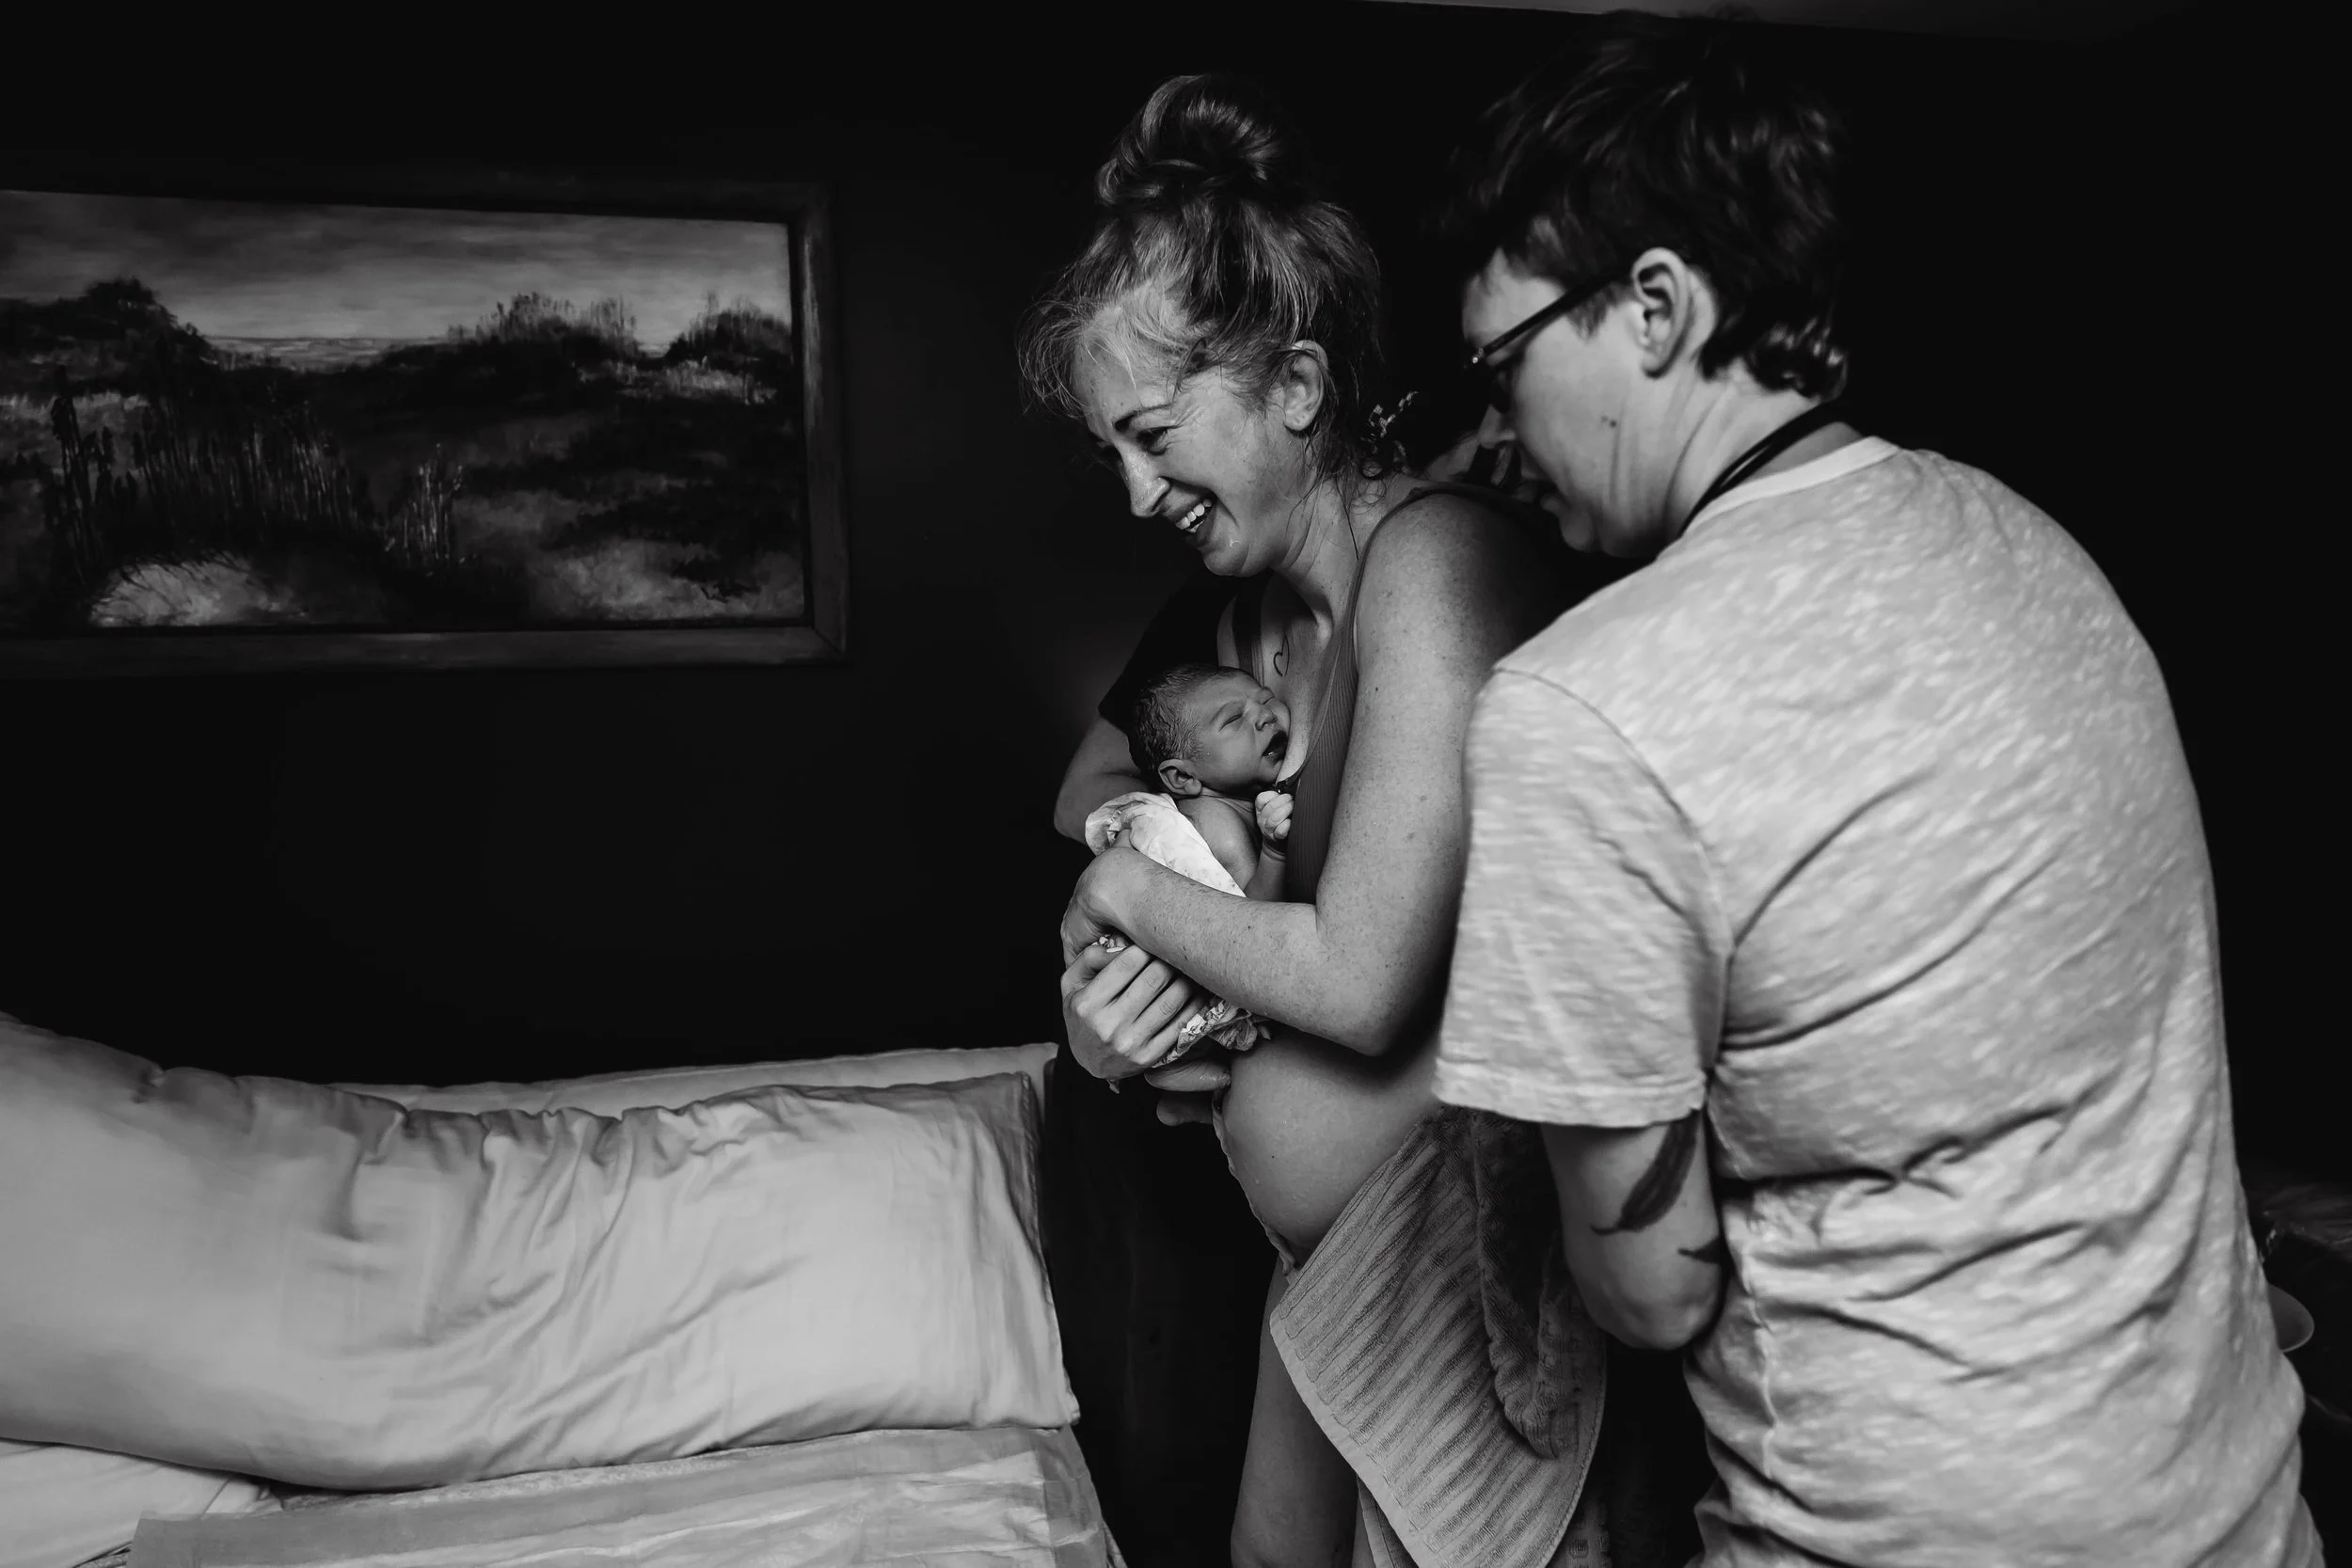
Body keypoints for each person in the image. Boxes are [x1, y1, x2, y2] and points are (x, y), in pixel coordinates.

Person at [1430, 15, 2318, 1566]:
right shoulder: (2042, 551)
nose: (1498, 432)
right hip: (2238, 1505)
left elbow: (1653, 1289)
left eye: (1505, 366)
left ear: (1654, 305)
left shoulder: (1587, 704)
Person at [1025, 71, 1644, 1568]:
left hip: (1459, 1293)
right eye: (1110, 447)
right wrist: (1134, 1029)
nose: (1131, 490)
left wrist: (1119, 902)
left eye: (1156, 431)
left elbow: (1363, 986)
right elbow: (1242, 937)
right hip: (1327, 1277)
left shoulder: (1437, 563)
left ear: (1296, 389)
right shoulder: (1252, 635)